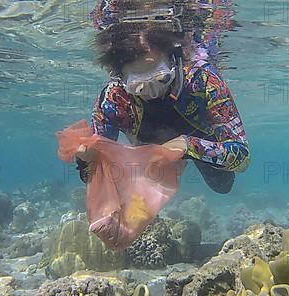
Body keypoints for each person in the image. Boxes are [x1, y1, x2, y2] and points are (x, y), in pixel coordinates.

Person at [77, 0, 249, 194]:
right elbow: (92, 173)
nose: (151, 92)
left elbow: (241, 156)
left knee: (222, 186)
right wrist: (86, 161)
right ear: (119, 78)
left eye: (160, 78)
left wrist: (187, 146)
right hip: (147, 155)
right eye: (137, 85)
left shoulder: (203, 80)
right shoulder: (115, 97)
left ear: (174, 61)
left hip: (198, 140)